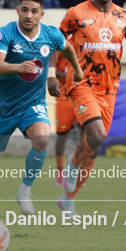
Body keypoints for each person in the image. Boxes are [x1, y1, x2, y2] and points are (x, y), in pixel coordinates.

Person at [0, 0, 82, 223]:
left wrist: (78, 70)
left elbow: (67, 48)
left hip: (32, 105)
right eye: (24, 9)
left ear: (42, 14)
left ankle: (24, 190)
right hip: (1, 108)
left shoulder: (51, 34)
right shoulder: (7, 33)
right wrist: (18, 67)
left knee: (42, 137)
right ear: (17, 10)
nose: (29, 15)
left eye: (34, 11)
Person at [48, 0, 126, 217]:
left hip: (110, 90)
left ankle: (68, 198)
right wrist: (52, 73)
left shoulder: (125, 17)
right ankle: (72, 165)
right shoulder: (76, 13)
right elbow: (55, 43)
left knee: (95, 147)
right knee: (95, 136)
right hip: (81, 84)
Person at [53, 51, 76, 188]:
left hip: (82, 95)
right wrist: (69, 76)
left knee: (85, 131)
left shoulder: (86, 43)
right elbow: (50, 71)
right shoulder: (61, 46)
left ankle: (75, 170)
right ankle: (60, 170)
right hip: (64, 97)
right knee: (62, 134)